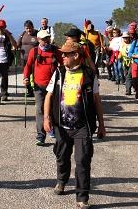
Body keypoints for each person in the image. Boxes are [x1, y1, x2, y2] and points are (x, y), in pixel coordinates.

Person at [43, 41, 106, 209]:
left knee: (83, 160)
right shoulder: (59, 72)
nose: (62, 56)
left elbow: (96, 100)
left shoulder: (90, 74)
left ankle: (82, 197)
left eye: (65, 54)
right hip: (62, 125)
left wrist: (101, 124)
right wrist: (46, 118)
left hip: (82, 126)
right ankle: (62, 181)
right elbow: (48, 96)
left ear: (76, 56)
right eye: (61, 54)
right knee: (62, 157)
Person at [23, 29, 61, 145]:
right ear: (39, 40)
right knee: (39, 110)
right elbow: (28, 66)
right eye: (44, 39)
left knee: (54, 109)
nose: (47, 40)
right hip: (39, 86)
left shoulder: (55, 50)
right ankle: (41, 135)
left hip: (53, 86)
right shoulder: (34, 52)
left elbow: (64, 63)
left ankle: (53, 130)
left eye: (47, 38)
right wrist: (25, 78)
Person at [18, 20, 39, 98]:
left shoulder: (37, 34)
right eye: (27, 28)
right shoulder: (23, 34)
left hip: (35, 59)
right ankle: (29, 91)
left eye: (30, 28)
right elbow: (17, 44)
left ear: (33, 27)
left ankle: (37, 90)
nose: (28, 30)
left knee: (35, 75)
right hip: (24, 59)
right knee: (26, 75)